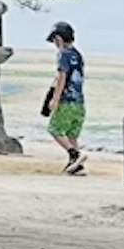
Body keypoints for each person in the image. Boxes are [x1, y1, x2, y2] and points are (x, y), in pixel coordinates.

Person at [40, 19, 90, 176]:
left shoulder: (63, 55)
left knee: (55, 129)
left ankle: (74, 154)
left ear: (59, 39)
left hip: (67, 101)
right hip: (79, 102)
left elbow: (62, 78)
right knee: (72, 134)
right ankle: (76, 166)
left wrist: (55, 99)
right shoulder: (77, 55)